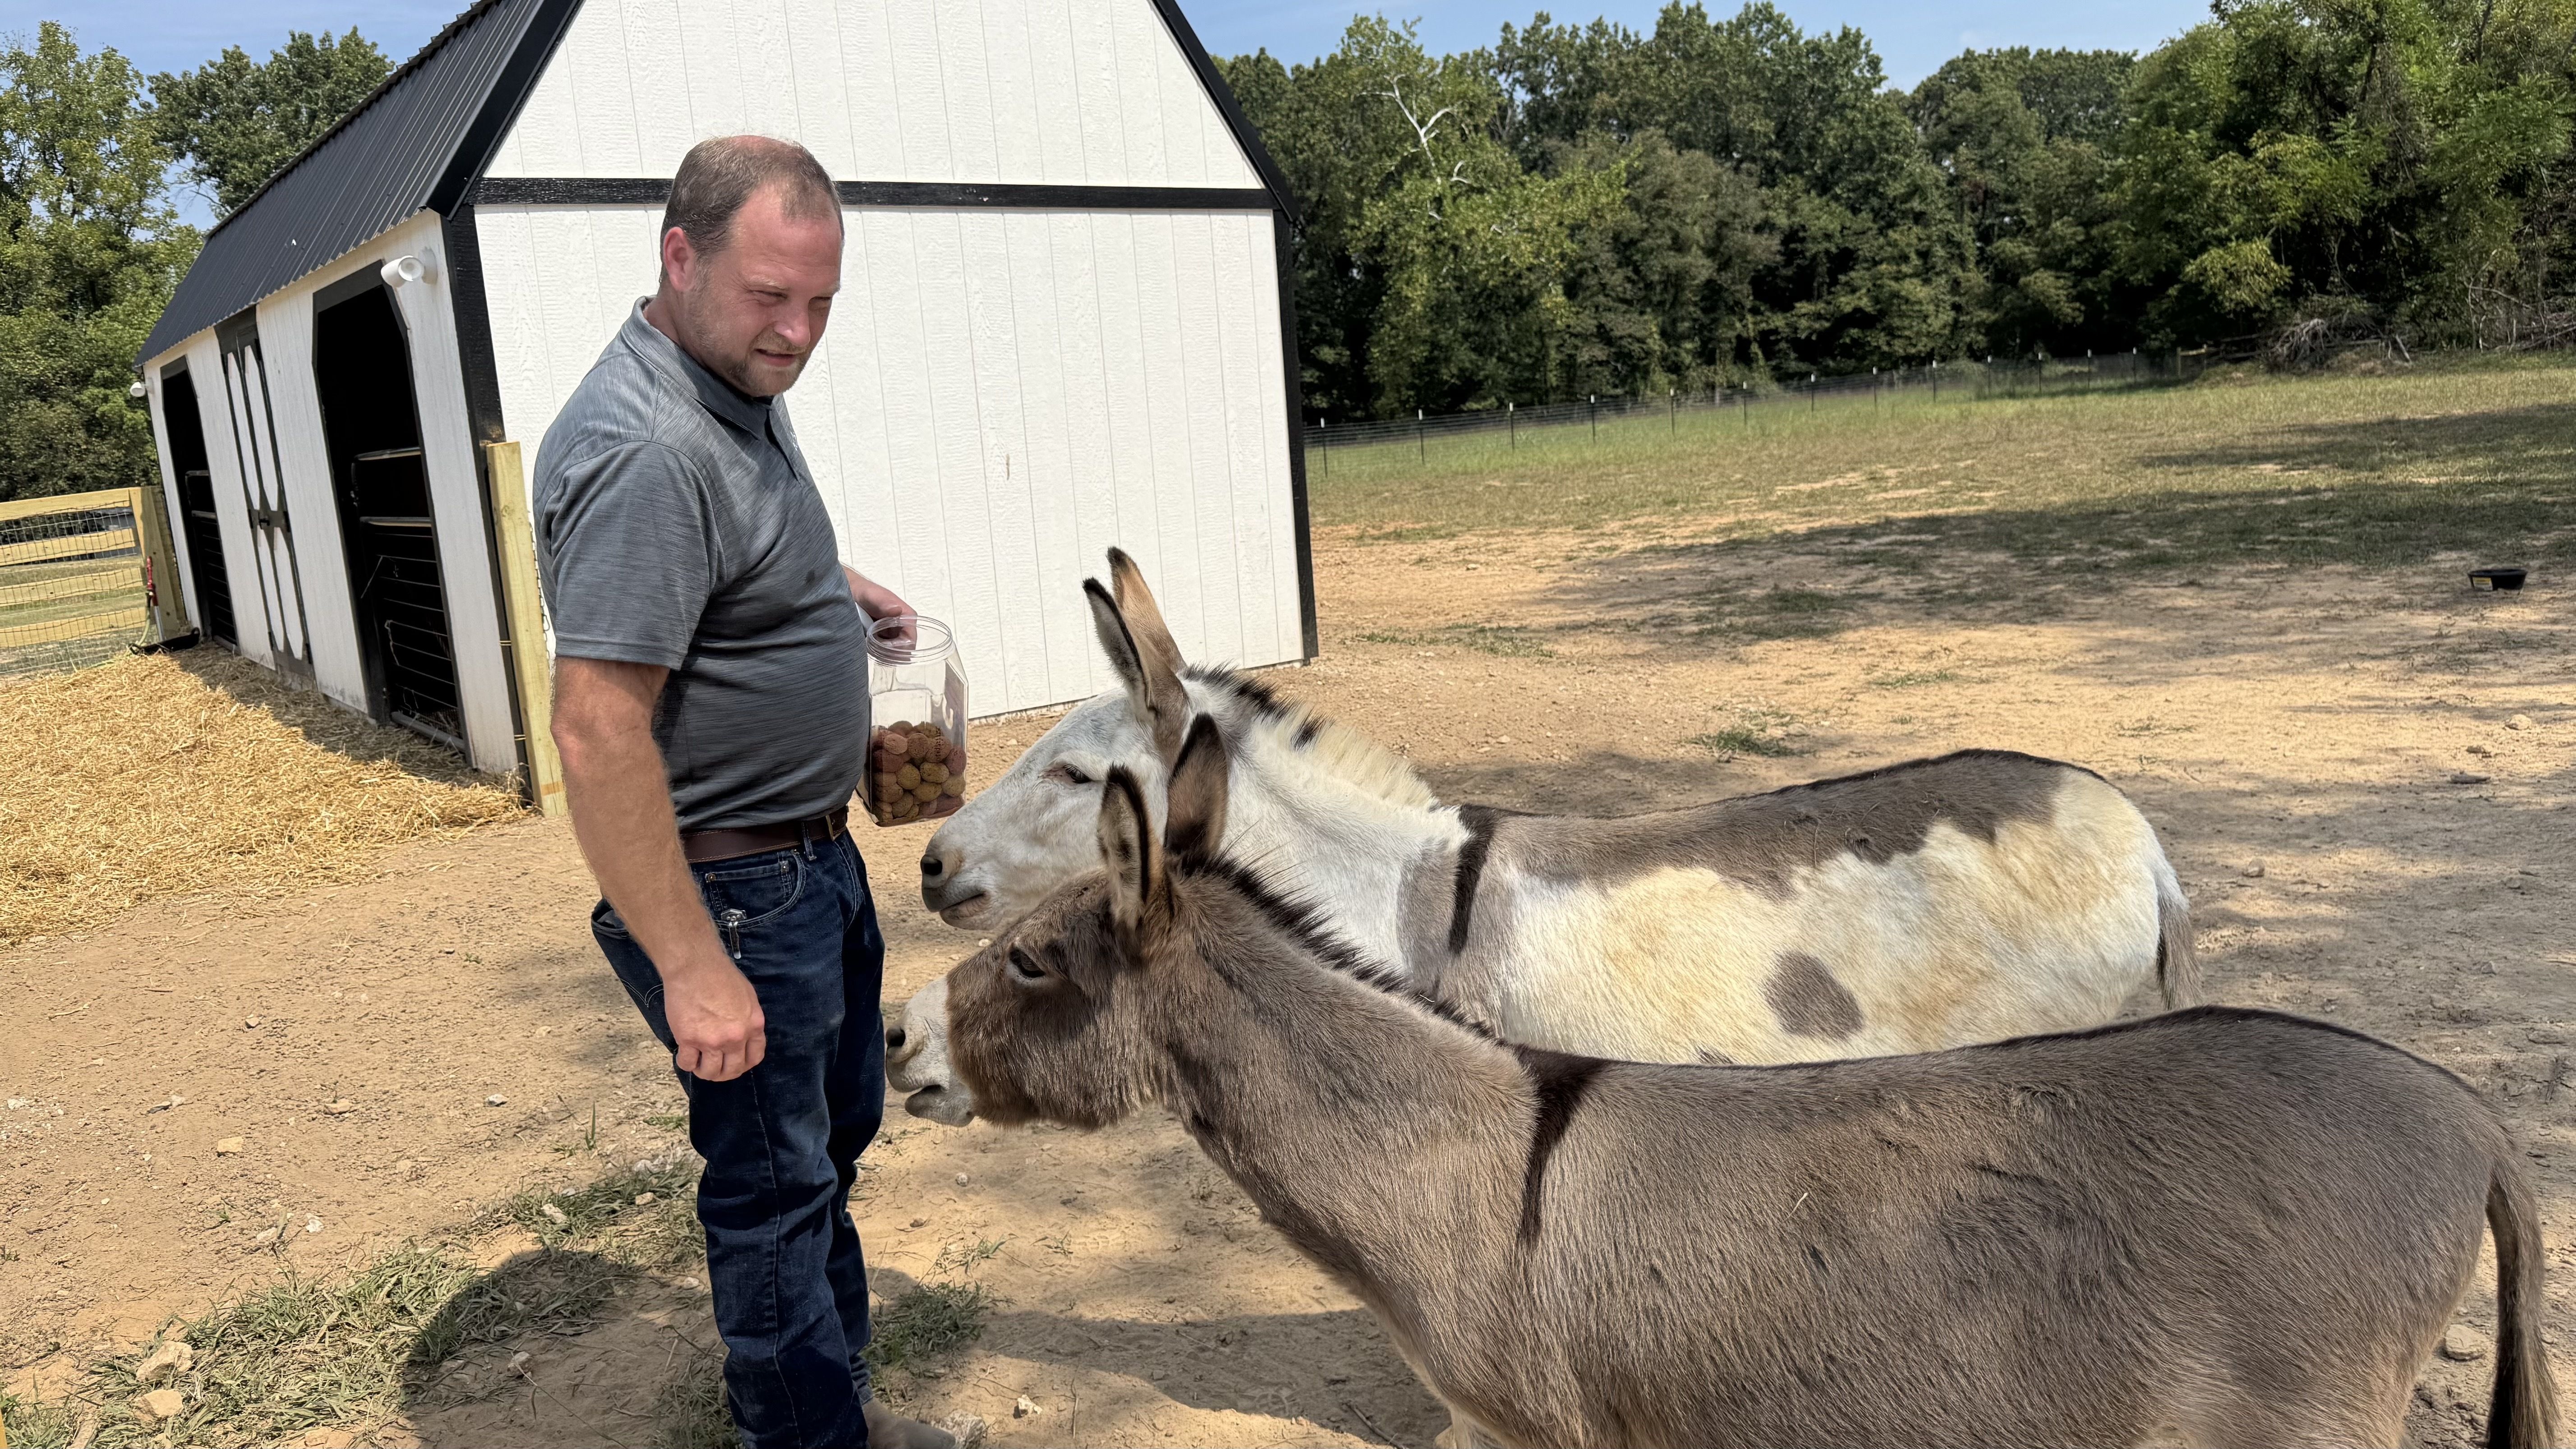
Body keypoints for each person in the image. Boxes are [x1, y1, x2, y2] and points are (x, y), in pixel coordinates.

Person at [535, 134, 952, 1449]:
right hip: (740, 892)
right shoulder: (652, 447)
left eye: (821, 302)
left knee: (820, 1155)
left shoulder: (728, 387)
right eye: (772, 296)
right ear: (680, 254)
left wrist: (820, 595)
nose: (798, 331)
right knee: (773, 1192)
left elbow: (711, 574)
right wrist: (694, 964)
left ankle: (837, 1409)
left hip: (804, 866)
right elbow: (599, 734)